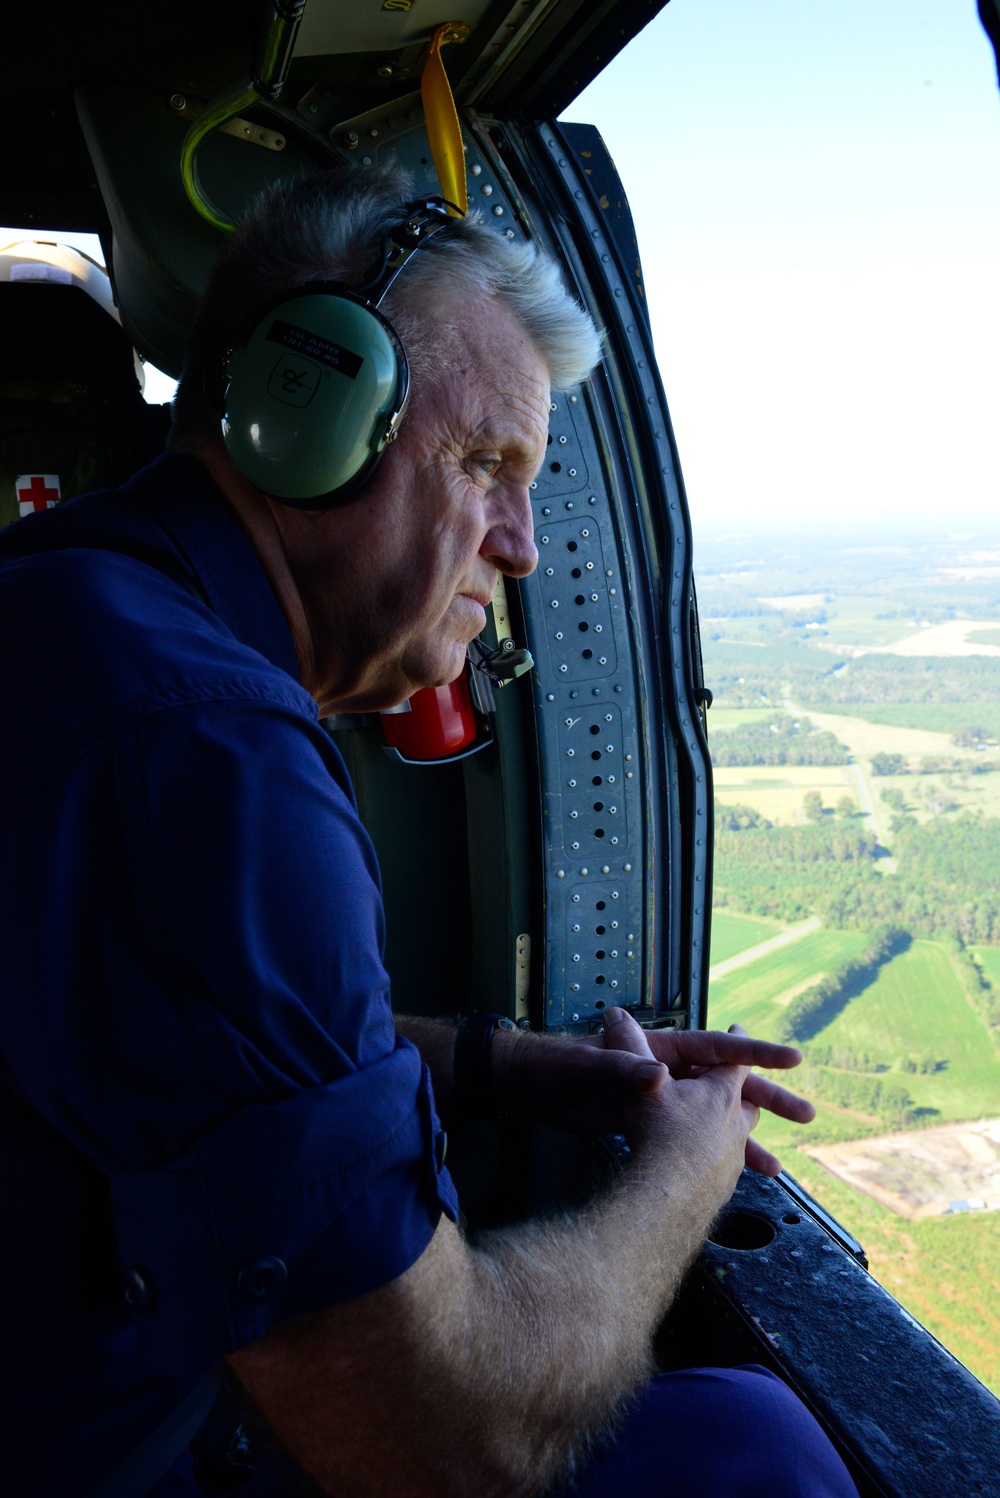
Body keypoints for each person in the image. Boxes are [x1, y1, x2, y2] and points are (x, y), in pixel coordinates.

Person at [0, 167, 858, 1497]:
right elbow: (445, 1440)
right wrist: (686, 1172)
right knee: (760, 1449)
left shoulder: (75, 609)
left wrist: (516, 1066)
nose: (521, 546)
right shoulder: (202, 744)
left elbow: (167, 1048)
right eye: (489, 462)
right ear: (302, 416)